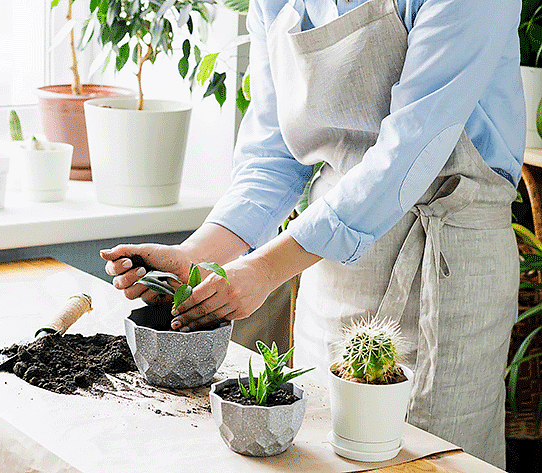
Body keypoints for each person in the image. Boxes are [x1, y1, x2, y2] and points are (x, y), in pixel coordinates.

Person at [101, 0, 524, 468]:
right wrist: (199, 255)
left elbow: (413, 151)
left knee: (433, 460)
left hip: (446, 263)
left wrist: (265, 269)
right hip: (325, 262)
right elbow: (272, 153)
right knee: (319, 450)